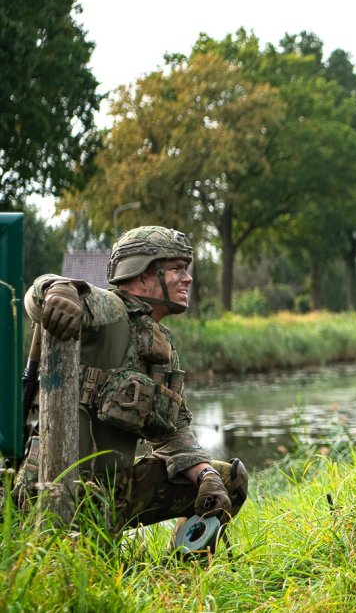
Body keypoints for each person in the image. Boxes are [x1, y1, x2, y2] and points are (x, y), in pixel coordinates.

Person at [15, 226, 248, 544]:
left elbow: (173, 432)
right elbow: (41, 291)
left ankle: (180, 581)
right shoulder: (106, 308)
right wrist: (58, 294)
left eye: (186, 269)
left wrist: (206, 477)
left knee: (227, 481)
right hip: (54, 490)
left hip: (114, 491)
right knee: (81, 569)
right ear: (141, 275)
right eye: (177, 269)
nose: (187, 278)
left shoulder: (161, 346)